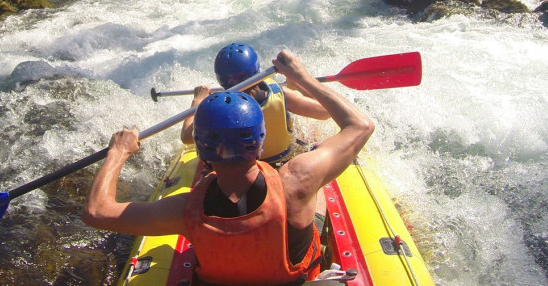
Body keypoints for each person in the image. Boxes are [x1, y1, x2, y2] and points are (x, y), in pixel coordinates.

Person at [82, 50, 375, 286]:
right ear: (260, 143)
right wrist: (303, 77)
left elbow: (97, 212)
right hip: (296, 280)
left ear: (199, 147)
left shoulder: (185, 210)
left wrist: (118, 154)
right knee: (319, 194)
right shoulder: (300, 178)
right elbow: (361, 125)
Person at [180, 42, 330, 163]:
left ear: (220, 79)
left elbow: (187, 138)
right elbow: (325, 112)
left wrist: (198, 101)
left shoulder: (214, 108)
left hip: (240, 171)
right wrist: (300, 85)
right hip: (281, 162)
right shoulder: (280, 94)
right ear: (256, 71)